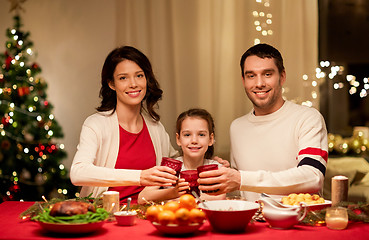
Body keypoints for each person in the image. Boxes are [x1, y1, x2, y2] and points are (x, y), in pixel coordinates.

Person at [197, 43, 328, 201]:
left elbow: (313, 177)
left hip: (299, 222)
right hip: (251, 222)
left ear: (282, 76)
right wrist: (224, 174)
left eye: (267, 74)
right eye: (251, 75)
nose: (259, 83)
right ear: (243, 80)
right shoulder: (237, 127)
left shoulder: (307, 118)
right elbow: (242, 190)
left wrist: (240, 179)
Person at [70, 46, 179, 203]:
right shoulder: (95, 124)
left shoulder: (156, 128)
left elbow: (177, 161)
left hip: (149, 216)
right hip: (106, 216)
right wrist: (140, 177)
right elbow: (78, 173)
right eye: (123, 78)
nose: (133, 84)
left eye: (139, 75)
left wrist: (209, 161)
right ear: (111, 84)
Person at [138, 108, 226, 204]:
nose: (194, 140)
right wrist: (172, 192)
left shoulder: (216, 169)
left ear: (210, 139)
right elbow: (142, 197)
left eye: (201, 134)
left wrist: (181, 199)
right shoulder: (170, 168)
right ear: (178, 139)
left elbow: (220, 196)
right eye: (187, 135)